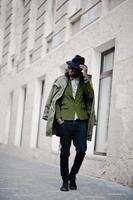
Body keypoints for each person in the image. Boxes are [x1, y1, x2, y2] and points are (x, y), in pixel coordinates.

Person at [43, 55, 96, 192]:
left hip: (81, 121)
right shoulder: (60, 80)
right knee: (64, 152)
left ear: (80, 69)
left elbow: (90, 96)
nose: (70, 69)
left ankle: (73, 175)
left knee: (82, 150)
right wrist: (59, 118)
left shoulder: (85, 81)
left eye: (73, 67)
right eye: (69, 67)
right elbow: (56, 100)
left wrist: (86, 77)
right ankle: (65, 180)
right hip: (65, 121)